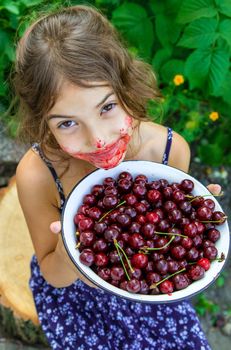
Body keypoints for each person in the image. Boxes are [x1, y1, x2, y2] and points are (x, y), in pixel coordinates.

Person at [14, 4, 221, 350]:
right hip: (78, 300)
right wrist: (71, 250)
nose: (99, 139)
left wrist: (193, 217)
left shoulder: (169, 150)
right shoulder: (38, 175)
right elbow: (54, 273)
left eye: (107, 107)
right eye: (67, 123)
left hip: (150, 289)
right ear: (42, 124)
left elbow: (163, 235)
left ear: (127, 86)